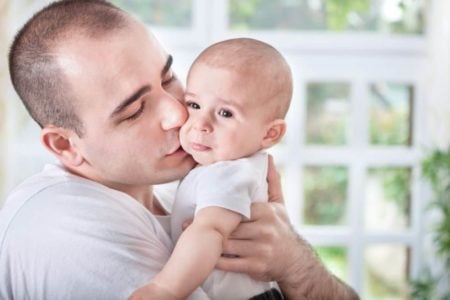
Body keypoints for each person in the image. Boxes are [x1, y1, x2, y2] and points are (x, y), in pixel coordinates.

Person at [0, 0, 359, 299]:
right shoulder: (65, 224)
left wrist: (294, 261)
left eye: (168, 78)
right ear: (65, 145)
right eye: (135, 110)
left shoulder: (183, 191)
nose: (178, 112)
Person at [131, 38, 292, 300]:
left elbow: (210, 231)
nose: (201, 124)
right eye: (194, 105)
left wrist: (166, 289)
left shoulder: (229, 173)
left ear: (270, 133)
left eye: (226, 113)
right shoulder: (224, 167)